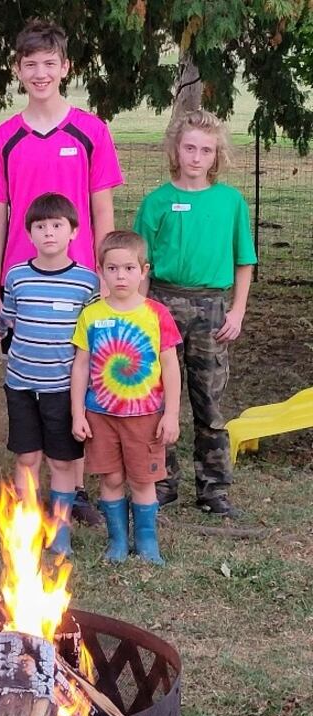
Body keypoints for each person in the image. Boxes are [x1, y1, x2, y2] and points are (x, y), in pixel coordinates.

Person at [0, 19, 124, 525]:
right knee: (29, 386)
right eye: (30, 63)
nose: (40, 72)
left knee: (75, 383)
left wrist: (105, 275)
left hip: (80, 285)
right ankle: (30, 501)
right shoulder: (3, 138)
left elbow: (102, 210)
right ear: (18, 70)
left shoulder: (91, 131)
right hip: (24, 288)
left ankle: (73, 492)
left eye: (49, 63)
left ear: (66, 68)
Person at [134, 109, 257, 517]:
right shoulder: (157, 202)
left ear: (217, 154)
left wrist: (237, 310)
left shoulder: (230, 202)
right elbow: (140, 266)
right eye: (189, 147)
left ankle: (214, 487)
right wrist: (139, 313)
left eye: (206, 150)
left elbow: (244, 261)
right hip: (162, 306)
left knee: (209, 402)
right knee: (158, 398)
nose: (196, 157)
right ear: (176, 148)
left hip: (211, 308)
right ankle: (161, 479)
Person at [71, 231, 182, 564]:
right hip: (100, 415)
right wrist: (77, 413)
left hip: (145, 416)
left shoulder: (156, 314)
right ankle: (117, 541)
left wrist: (172, 414)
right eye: (113, 268)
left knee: (143, 479)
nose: (121, 276)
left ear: (144, 270)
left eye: (129, 268)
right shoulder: (91, 315)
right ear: (100, 270)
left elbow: (171, 368)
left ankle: (147, 542)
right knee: (112, 477)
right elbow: (80, 368)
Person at [0, 193, 99, 555]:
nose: (49, 234)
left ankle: (59, 533)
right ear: (29, 234)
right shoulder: (17, 276)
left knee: (62, 461)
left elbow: (91, 338)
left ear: (73, 231)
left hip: (63, 387)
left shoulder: (88, 283)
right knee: (27, 459)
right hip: (21, 384)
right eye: (40, 227)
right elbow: (8, 320)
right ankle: (26, 530)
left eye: (57, 226)